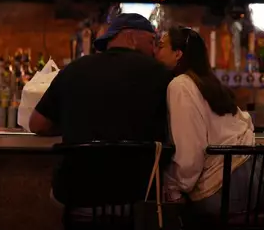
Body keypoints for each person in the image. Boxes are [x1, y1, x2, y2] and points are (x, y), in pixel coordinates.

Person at [29, 13, 172, 202]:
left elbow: (37, 124)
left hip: (77, 195)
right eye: (152, 41)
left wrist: (75, 124)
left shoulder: (74, 69)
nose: (154, 50)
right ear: (130, 38)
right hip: (138, 197)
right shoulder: (162, 74)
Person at [156, 26, 261, 217]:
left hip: (228, 188)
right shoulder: (210, 83)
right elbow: (245, 122)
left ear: (178, 54)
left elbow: (190, 156)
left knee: (168, 204)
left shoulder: (180, 85)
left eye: (161, 46)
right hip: (260, 177)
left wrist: (172, 185)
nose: (155, 51)